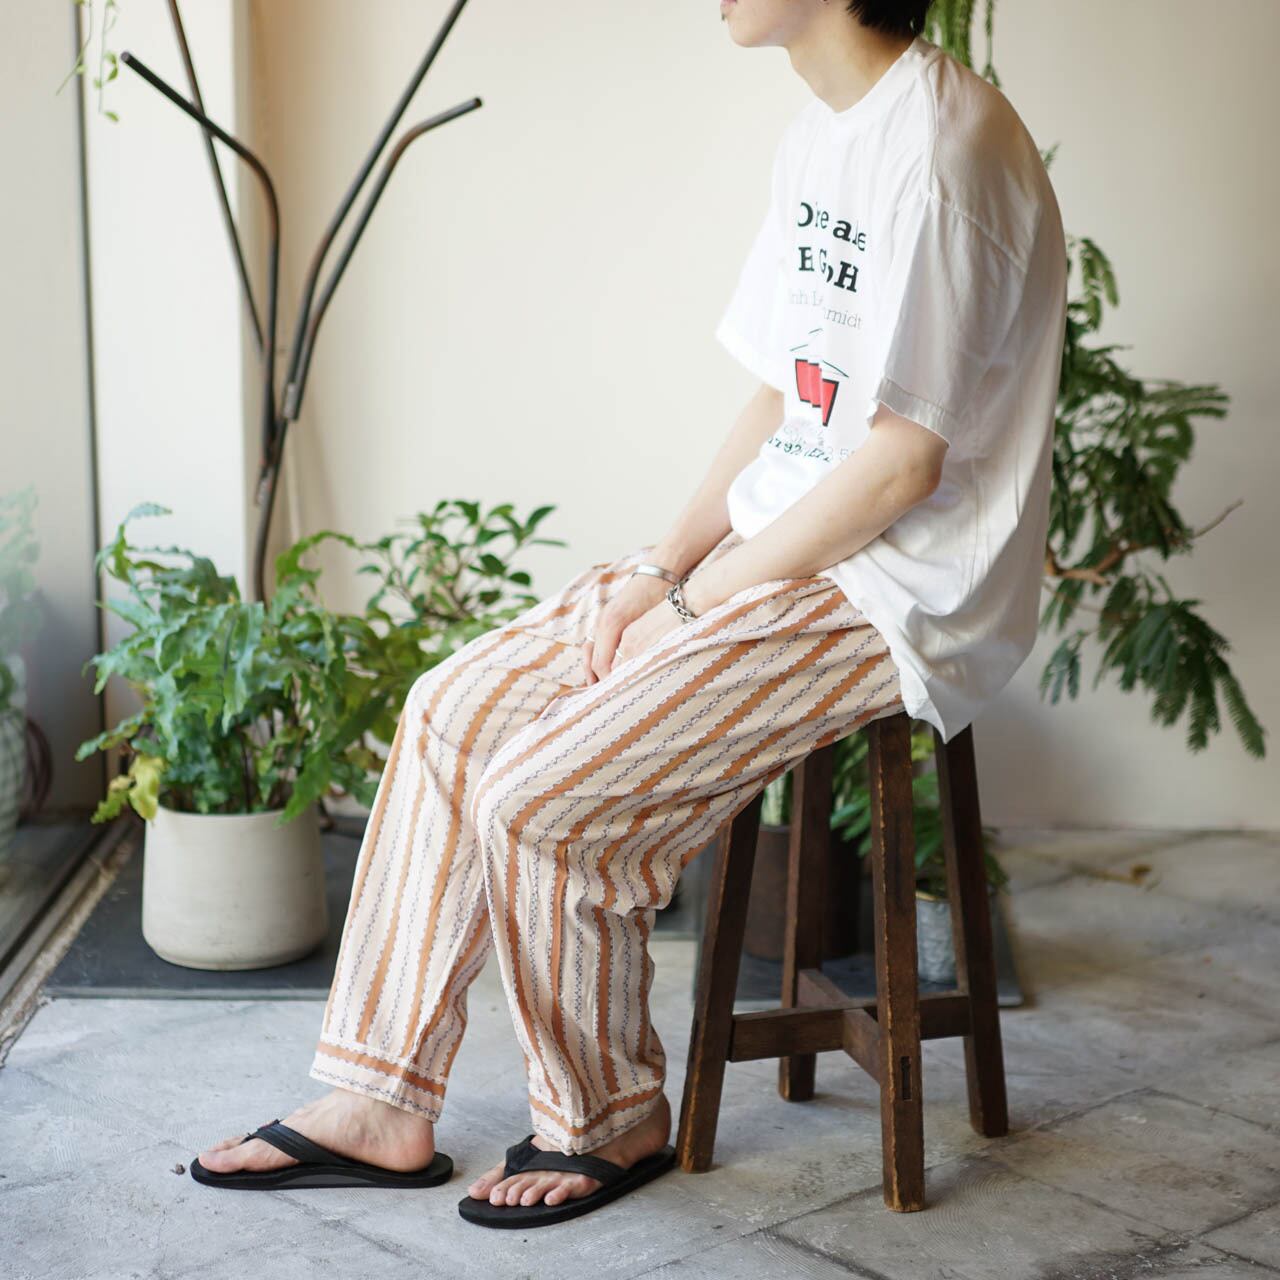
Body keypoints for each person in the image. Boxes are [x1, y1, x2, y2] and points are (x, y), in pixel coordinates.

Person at [189, 0, 1067, 1228]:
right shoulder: (822, 132)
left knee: (542, 795)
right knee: (451, 711)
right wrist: (662, 569)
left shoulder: (939, 150)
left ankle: (608, 1113)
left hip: (888, 588)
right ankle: (378, 1097)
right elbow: (781, 395)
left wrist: (699, 601)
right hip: (783, 547)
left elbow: (899, 465)